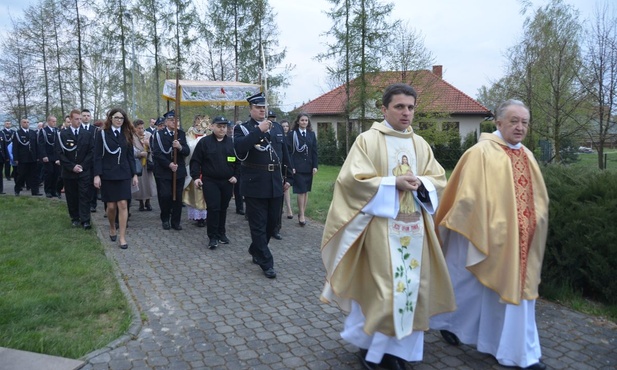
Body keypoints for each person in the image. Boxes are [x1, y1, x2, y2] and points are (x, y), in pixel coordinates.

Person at [320, 83, 455, 370]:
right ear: (384, 109)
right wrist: (393, 182)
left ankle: (400, 352)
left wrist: (423, 184)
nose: (406, 113)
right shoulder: (368, 140)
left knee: (413, 289)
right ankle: (372, 350)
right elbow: (350, 182)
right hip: (380, 229)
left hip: (415, 228)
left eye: (410, 107)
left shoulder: (420, 144)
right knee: (385, 291)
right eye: (399, 107)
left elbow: (438, 178)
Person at [430, 99, 549, 370]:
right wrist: (486, 224)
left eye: (524, 123)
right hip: (483, 234)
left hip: (521, 241)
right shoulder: (481, 153)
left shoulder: (527, 155)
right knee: (468, 282)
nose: (520, 128)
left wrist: (534, 221)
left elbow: (538, 199)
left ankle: (513, 349)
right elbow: (465, 197)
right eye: (514, 121)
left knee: (504, 292)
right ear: (498, 122)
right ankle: (453, 325)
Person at [233, 92, 293, 279]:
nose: (261, 110)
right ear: (250, 109)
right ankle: (266, 262)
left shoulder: (276, 128)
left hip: (275, 181)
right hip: (255, 183)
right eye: (258, 107)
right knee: (258, 225)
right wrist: (259, 130)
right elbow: (239, 149)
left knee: (272, 223)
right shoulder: (242, 129)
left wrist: (289, 176)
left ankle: (255, 249)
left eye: (263, 107)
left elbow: (284, 153)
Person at [190, 116, 238, 249]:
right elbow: (195, 161)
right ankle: (212, 236)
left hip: (227, 181)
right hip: (210, 181)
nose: (222, 129)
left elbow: (239, 162)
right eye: (219, 126)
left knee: (223, 208)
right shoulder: (204, 142)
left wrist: (236, 176)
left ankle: (221, 233)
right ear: (212, 127)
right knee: (213, 208)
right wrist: (196, 177)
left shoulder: (232, 143)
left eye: (224, 127)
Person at [93, 108, 139, 249]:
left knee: (123, 205)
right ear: (111, 118)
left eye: (121, 118)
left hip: (123, 173)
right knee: (111, 207)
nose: (119, 120)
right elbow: (97, 156)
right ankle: (112, 226)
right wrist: (97, 175)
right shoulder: (102, 134)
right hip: (108, 174)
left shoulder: (127, 134)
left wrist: (134, 174)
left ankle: (122, 237)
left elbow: (130, 156)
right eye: (116, 117)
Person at [151, 110, 190, 231]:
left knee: (178, 197)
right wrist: (169, 164)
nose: (174, 122)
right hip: (164, 171)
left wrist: (180, 147)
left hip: (179, 171)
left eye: (176, 120)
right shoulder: (158, 135)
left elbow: (187, 151)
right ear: (166, 121)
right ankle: (165, 218)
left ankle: (176, 221)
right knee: (165, 195)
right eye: (171, 120)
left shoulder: (181, 134)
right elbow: (156, 153)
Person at [56, 109, 95, 229]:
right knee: (72, 195)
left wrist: (82, 166)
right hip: (69, 171)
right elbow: (59, 152)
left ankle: (85, 220)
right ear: (71, 119)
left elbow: (91, 151)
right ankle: (75, 218)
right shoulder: (63, 134)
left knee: (84, 195)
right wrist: (72, 166)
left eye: (80, 119)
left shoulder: (87, 134)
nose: (79, 121)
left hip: (83, 171)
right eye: (76, 119)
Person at [288, 113, 318, 227]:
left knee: (306, 191)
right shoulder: (293, 134)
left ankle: (303, 213)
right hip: (298, 167)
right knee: (300, 190)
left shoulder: (311, 134)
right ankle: (301, 215)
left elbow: (314, 151)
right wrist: (292, 166)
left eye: (306, 120)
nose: (304, 122)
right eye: (302, 120)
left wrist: (315, 166)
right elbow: (289, 152)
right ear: (298, 122)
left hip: (308, 166)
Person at [183, 115, 210, 227]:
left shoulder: (209, 133)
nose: (199, 125)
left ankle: (209, 215)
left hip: (208, 167)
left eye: (202, 122)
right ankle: (199, 217)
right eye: (198, 122)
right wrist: (199, 141)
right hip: (195, 165)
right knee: (197, 192)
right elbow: (189, 147)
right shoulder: (190, 133)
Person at [12, 118, 42, 196]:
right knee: (21, 175)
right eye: (24, 122)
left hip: (33, 157)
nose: (26, 124)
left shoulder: (33, 133)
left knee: (34, 175)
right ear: (21, 123)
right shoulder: (18, 133)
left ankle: (35, 191)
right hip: (22, 158)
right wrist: (16, 158)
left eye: (28, 122)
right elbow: (15, 147)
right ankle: (17, 190)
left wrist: (38, 156)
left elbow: (36, 145)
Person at [132, 119, 156, 212]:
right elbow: (131, 150)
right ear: (135, 128)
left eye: (142, 128)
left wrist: (148, 145)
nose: (141, 130)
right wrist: (139, 153)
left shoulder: (148, 135)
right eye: (139, 128)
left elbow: (154, 148)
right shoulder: (132, 137)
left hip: (148, 162)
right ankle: (141, 202)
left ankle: (148, 202)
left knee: (148, 183)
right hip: (138, 162)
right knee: (140, 184)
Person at [38, 115, 62, 198]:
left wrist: (59, 157)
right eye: (53, 121)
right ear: (48, 121)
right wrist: (44, 155)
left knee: (56, 173)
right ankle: (47, 190)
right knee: (49, 173)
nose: (54, 123)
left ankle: (53, 190)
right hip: (48, 156)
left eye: (55, 121)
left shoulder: (57, 131)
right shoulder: (43, 131)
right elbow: (41, 145)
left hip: (56, 156)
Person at [80, 108, 98, 213]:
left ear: (90, 117)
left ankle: (92, 204)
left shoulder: (95, 130)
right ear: (81, 117)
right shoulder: (78, 128)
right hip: (81, 161)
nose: (86, 117)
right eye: (84, 115)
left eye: (88, 115)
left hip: (93, 161)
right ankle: (83, 203)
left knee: (93, 183)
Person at [280, 119, 293, 219]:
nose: (285, 128)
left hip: (288, 164)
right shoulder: (278, 137)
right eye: (283, 126)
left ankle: (289, 208)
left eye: (287, 126)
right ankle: (280, 207)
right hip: (279, 164)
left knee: (286, 186)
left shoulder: (291, 137)